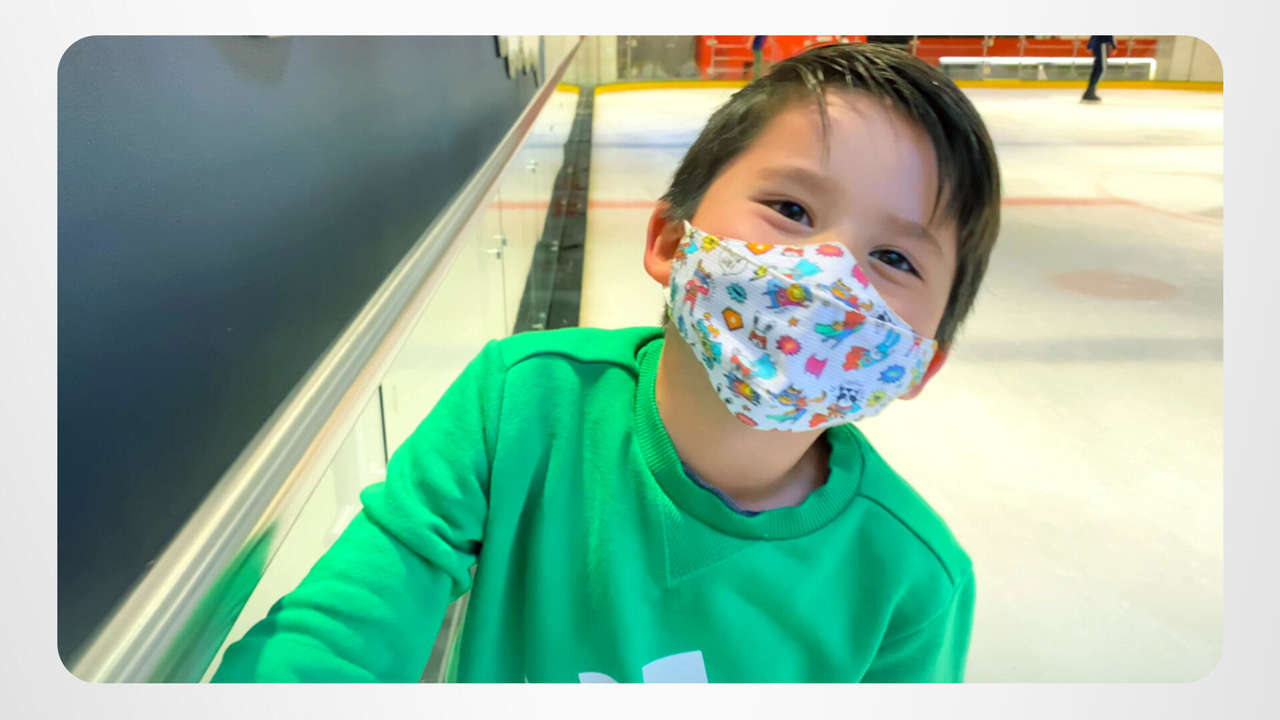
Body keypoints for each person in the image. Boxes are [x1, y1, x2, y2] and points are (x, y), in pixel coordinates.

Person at [212, 42, 1002, 684]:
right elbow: (345, 628)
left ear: (917, 365)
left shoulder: (911, 583)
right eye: (791, 210)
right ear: (670, 240)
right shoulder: (521, 403)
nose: (826, 275)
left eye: (894, 258)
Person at [1082, 35, 1117, 102]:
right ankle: (1090, 92)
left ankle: (1089, 92)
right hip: (1102, 44)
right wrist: (1113, 45)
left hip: (1097, 43)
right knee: (1101, 69)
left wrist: (1089, 45)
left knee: (1097, 68)